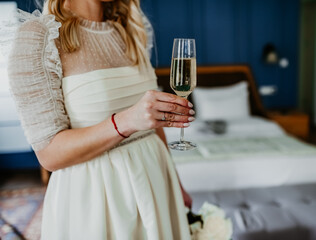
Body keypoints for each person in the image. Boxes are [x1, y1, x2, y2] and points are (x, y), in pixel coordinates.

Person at [7, 0, 195, 239]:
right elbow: (49, 154)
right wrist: (126, 122)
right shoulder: (40, 37)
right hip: (97, 198)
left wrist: (175, 185)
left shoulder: (131, 29)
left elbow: (151, 123)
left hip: (156, 183)